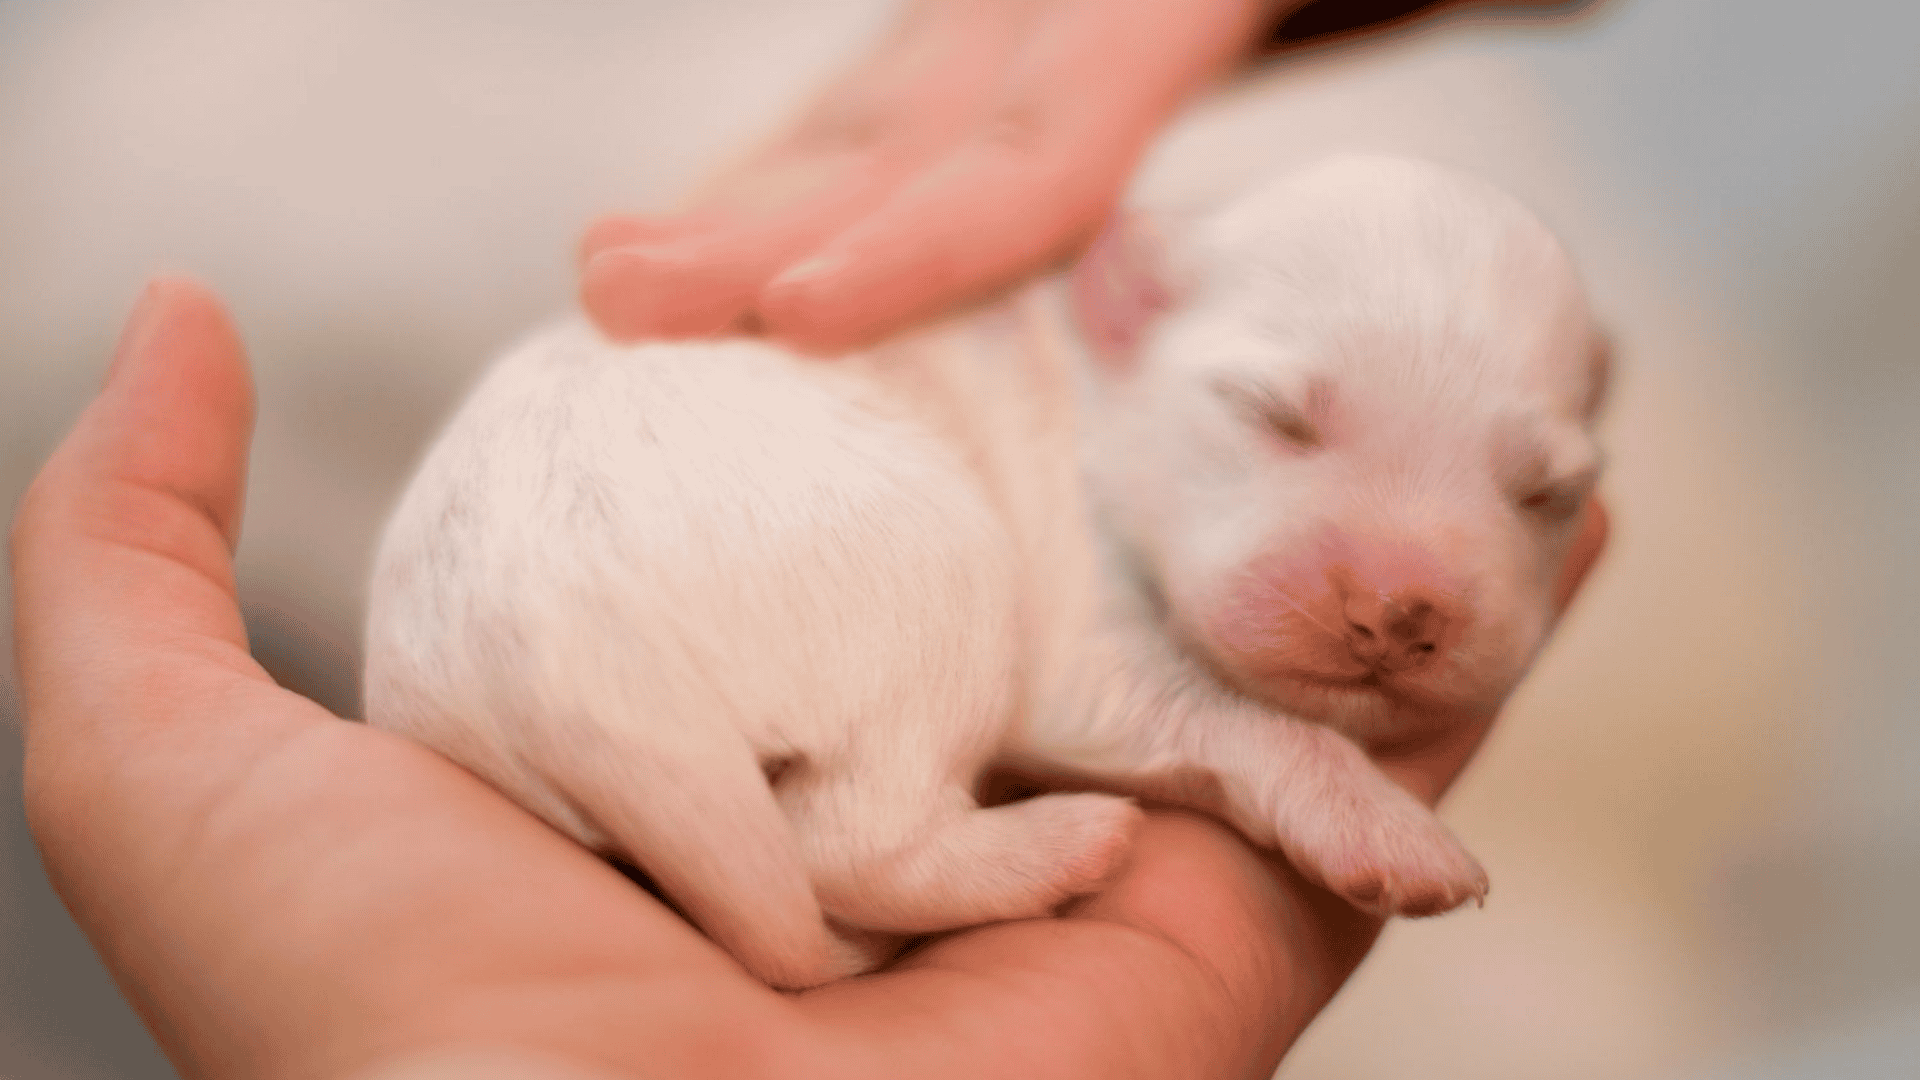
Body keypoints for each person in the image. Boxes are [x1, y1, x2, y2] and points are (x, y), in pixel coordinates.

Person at [8, 3, 1605, 1077]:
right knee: (937, 583)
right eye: (1278, 420)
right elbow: (1076, 680)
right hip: (653, 571)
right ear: (1120, 315)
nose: (1410, 583)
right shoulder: (1013, 396)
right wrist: (1279, 763)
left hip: (537, 635)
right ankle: (875, 838)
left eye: (1530, 494)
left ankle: (801, 829)